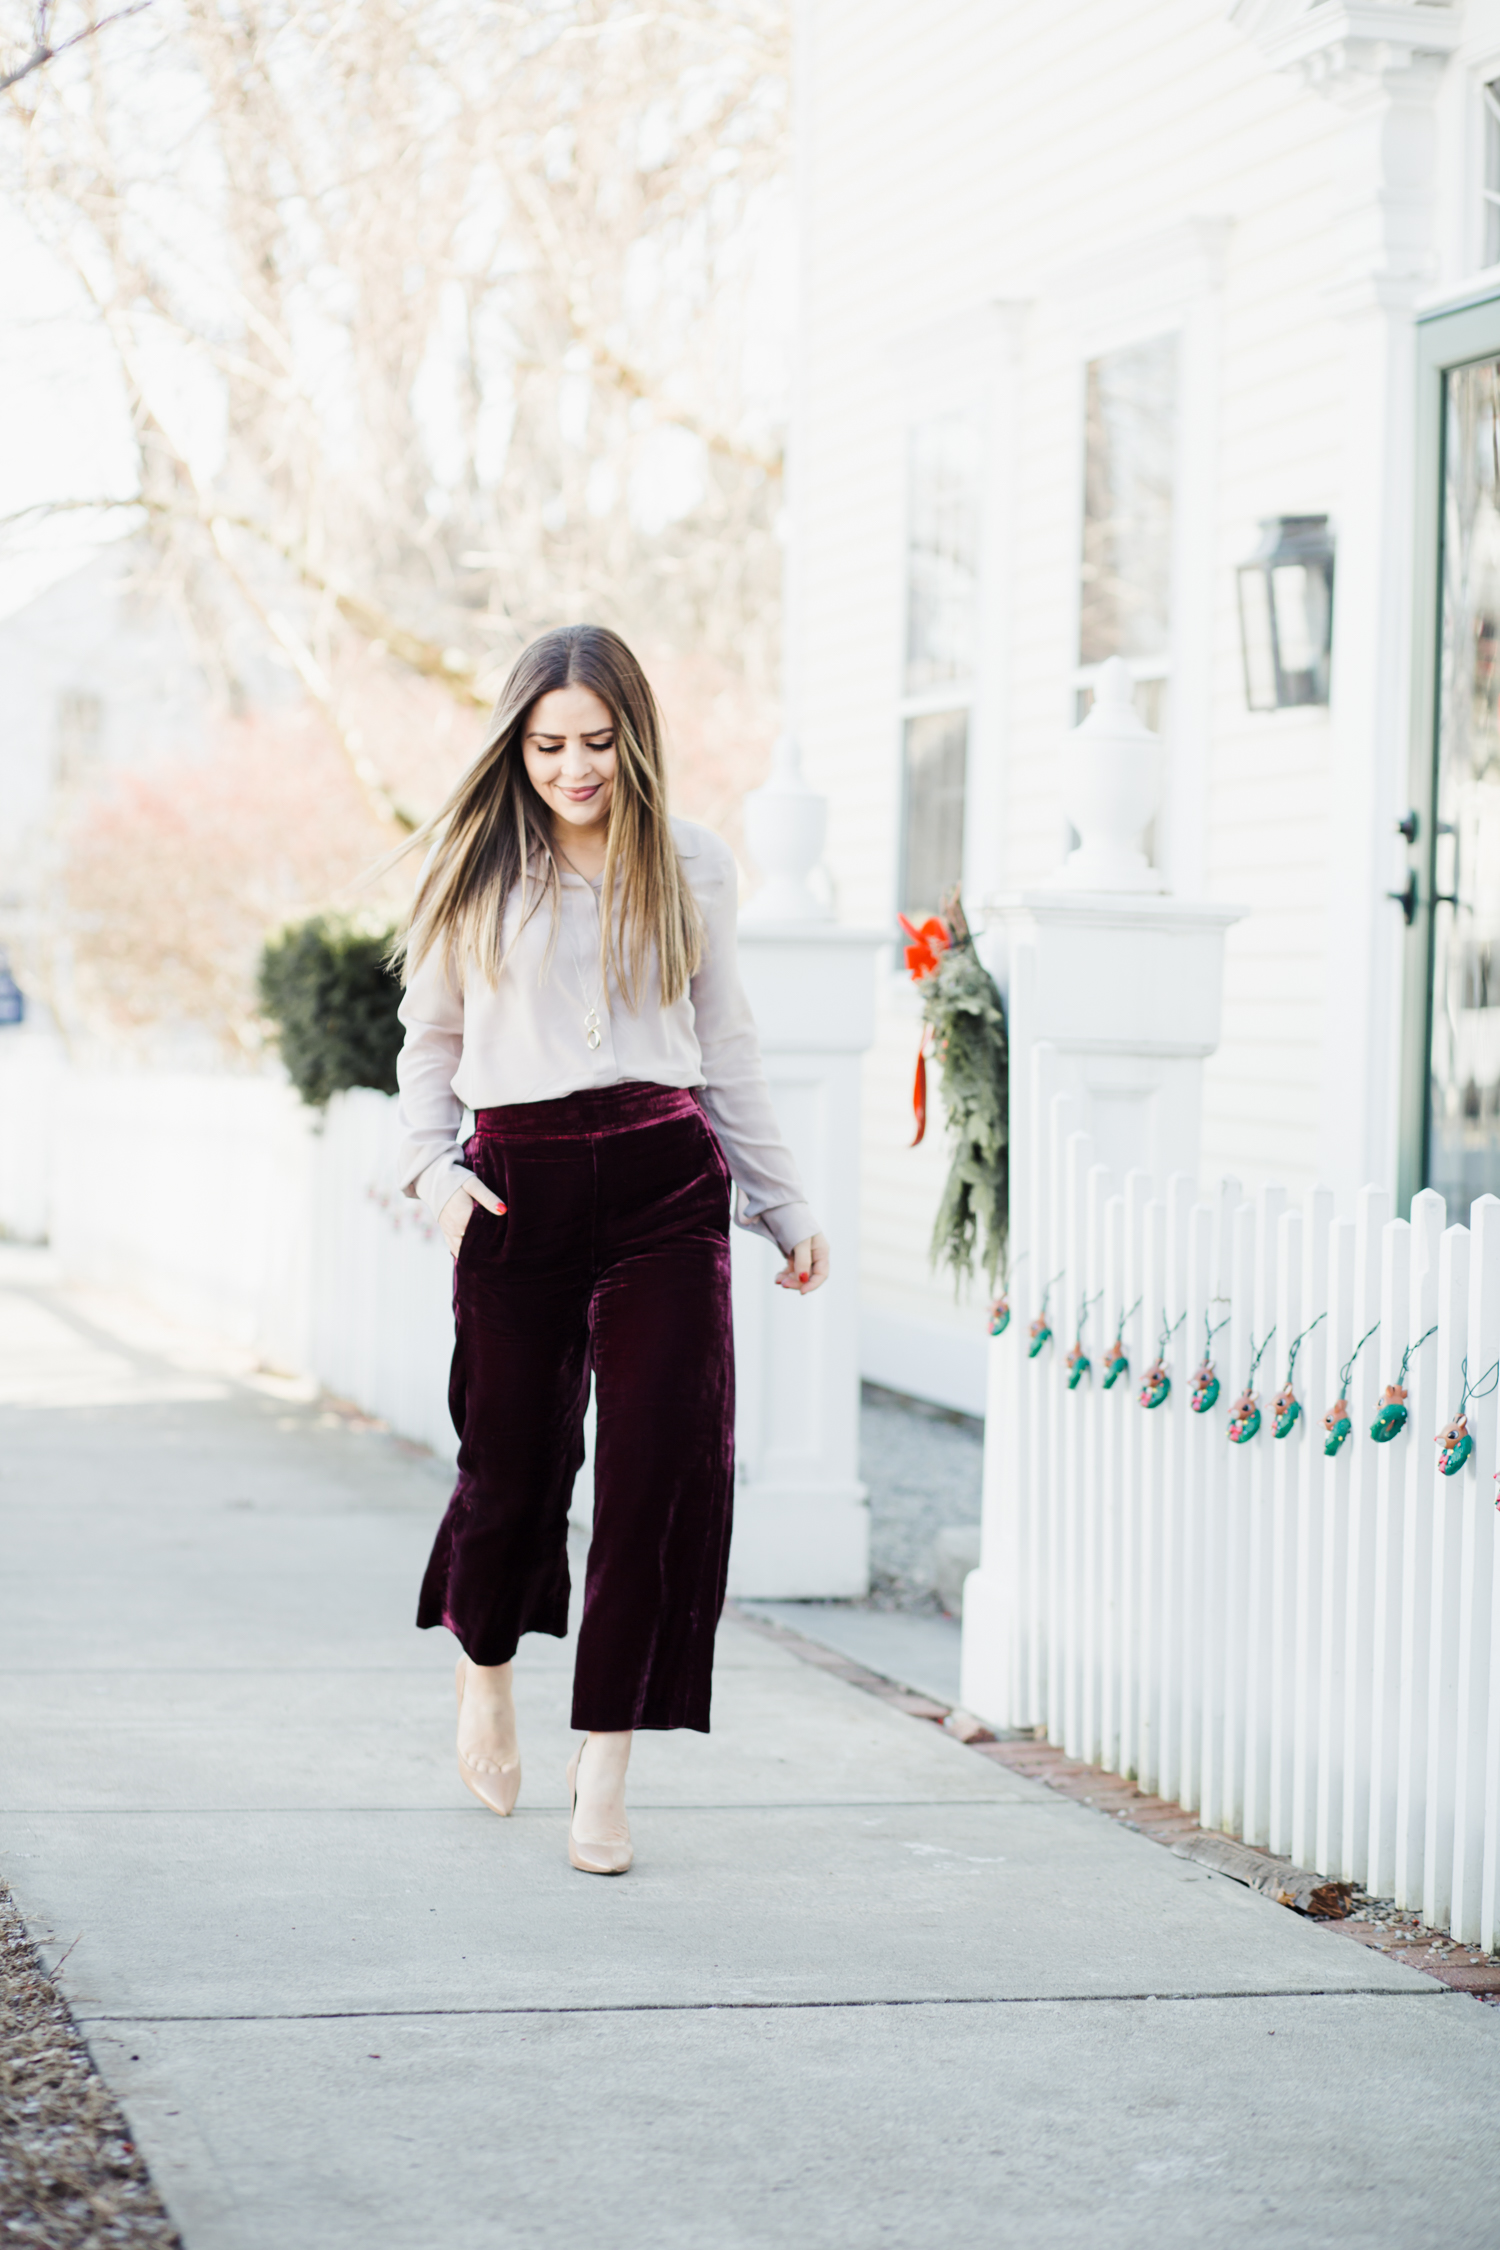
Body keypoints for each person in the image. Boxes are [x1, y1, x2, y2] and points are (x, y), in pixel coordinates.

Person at [393, 624, 828, 1875]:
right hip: (517, 1186)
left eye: (595, 742)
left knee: (658, 1475)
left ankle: (607, 1761)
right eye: (547, 746)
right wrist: (437, 1169)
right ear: (514, 744)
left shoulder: (693, 864)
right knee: (513, 1465)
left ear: (634, 736)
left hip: (663, 1186)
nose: (573, 769)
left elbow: (725, 1040)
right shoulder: (475, 865)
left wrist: (783, 1204)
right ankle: (484, 1673)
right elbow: (428, 1045)